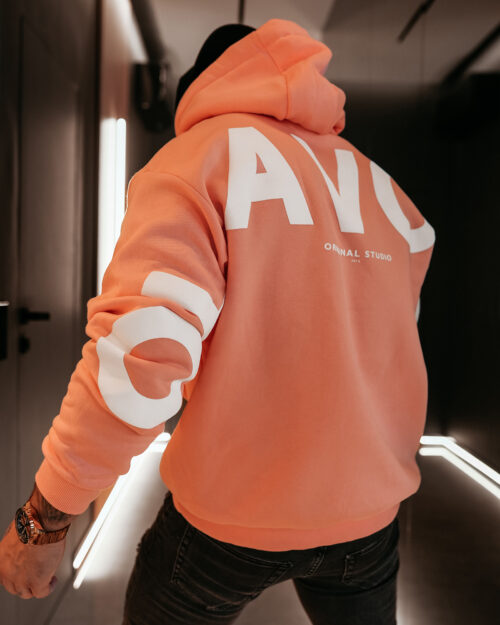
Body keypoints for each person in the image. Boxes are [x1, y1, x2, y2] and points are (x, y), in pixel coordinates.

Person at [0, 17, 435, 625]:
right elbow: (391, 345)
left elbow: (141, 359)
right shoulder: (386, 191)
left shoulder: (195, 161)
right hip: (370, 518)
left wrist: (44, 520)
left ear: (200, 88)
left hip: (230, 521)